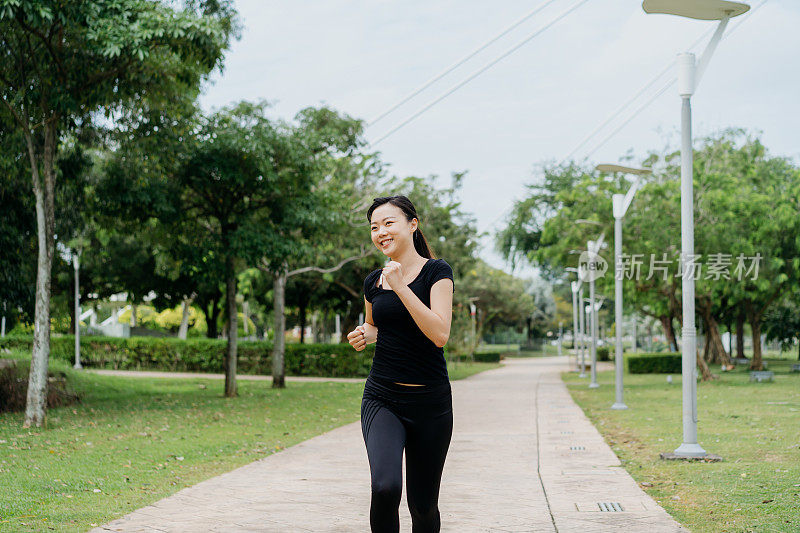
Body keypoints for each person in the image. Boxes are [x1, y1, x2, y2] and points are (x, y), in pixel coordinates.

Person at [346, 195, 455, 533]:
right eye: (374, 227)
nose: (380, 232)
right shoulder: (372, 282)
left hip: (430, 404)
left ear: (412, 224)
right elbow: (377, 324)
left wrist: (401, 287)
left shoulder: (437, 272)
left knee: (422, 506)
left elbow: (439, 333)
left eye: (388, 223)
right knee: (385, 488)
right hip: (382, 399)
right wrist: (365, 333)